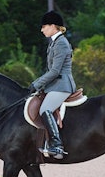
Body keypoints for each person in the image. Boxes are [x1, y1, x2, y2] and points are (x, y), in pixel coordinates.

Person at [28, 10, 76, 159]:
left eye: (44, 26)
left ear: (53, 26)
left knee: (45, 109)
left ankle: (56, 145)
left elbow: (55, 71)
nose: (42, 30)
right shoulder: (54, 42)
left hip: (62, 85)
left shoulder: (61, 43)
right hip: (55, 84)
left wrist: (36, 84)